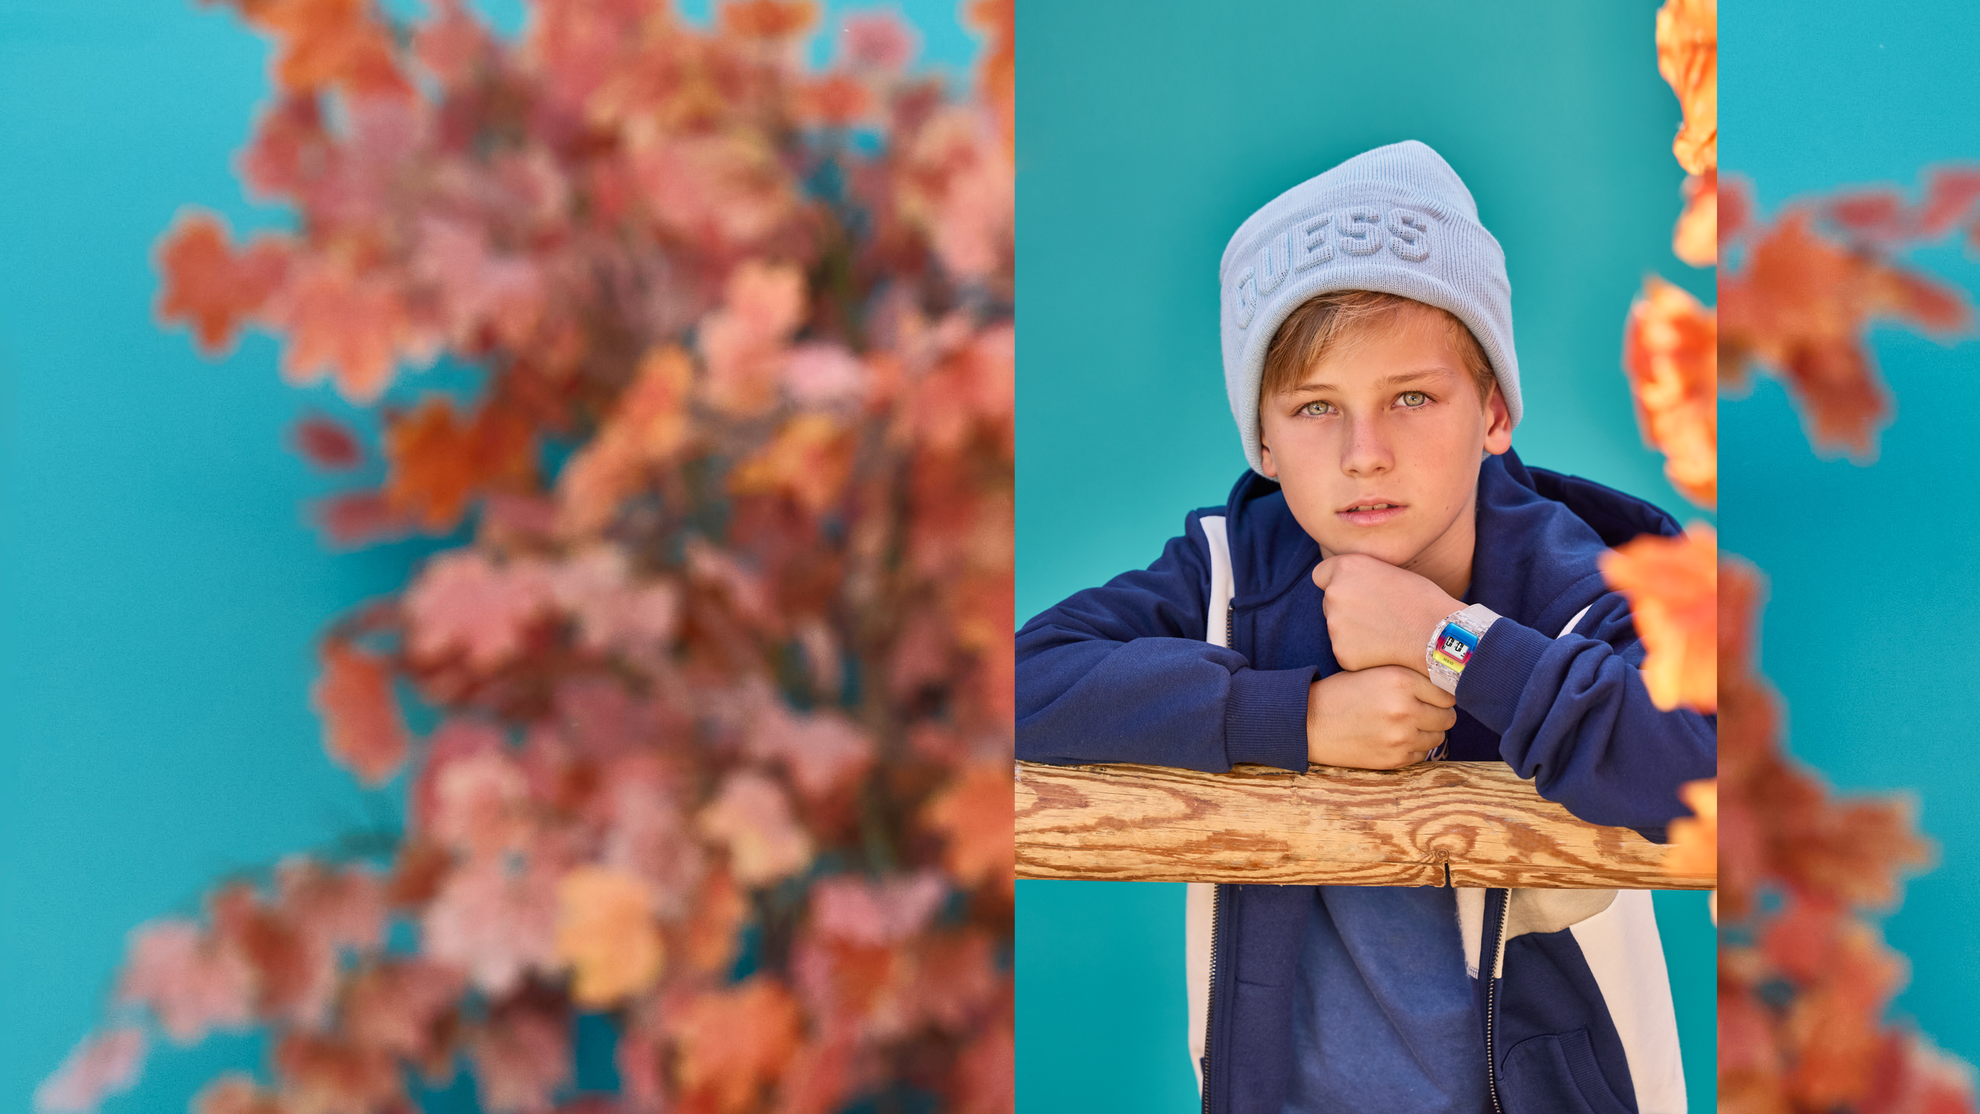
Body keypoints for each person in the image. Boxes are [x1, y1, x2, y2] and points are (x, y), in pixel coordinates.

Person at [1014, 141, 1716, 1114]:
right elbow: (1021, 681)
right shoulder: (1232, 572)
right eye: (1314, 408)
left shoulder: (1577, 581)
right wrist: (1294, 718)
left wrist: (1451, 641)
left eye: (1413, 397)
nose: (1365, 455)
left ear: (1497, 410)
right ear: (1262, 439)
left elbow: (1700, 756)